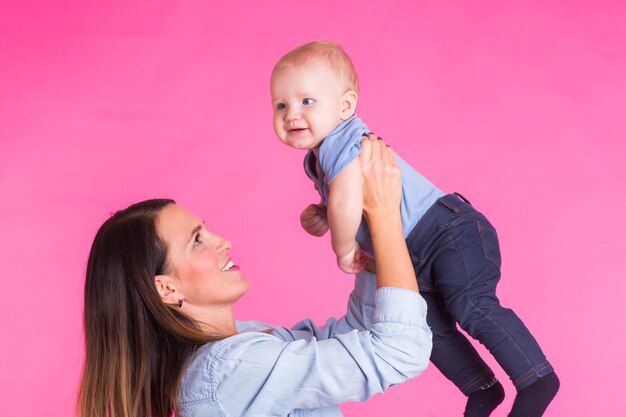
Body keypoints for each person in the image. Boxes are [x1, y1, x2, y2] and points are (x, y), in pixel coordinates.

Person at [270, 40, 559, 417]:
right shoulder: (318, 160)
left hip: (446, 233)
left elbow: (346, 200)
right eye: (281, 105)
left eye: (307, 101)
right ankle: (481, 388)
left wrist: (342, 249)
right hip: (412, 257)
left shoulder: (344, 140)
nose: (292, 113)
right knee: (424, 327)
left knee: (471, 305)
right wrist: (324, 213)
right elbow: (346, 202)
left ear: (345, 106)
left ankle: (536, 378)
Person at [77, 136, 432, 417]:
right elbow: (398, 350)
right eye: (197, 240)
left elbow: (354, 336)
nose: (224, 242)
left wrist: (363, 230)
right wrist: (385, 216)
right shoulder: (227, 369)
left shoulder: (244, 342)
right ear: (167, 288)